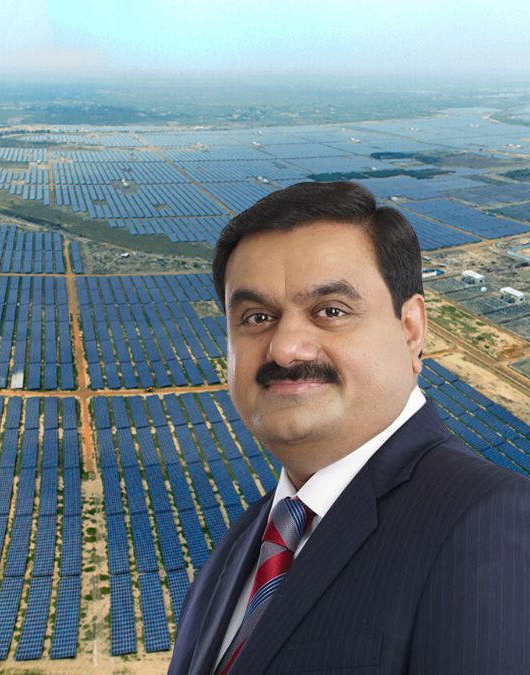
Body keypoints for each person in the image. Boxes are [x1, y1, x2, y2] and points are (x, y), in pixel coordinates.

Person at [168, 181, 530, 674]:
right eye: (257, 317)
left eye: (331, 311)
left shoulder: (487, 523)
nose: (285, 348)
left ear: (411, 329)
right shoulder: (241, 545)